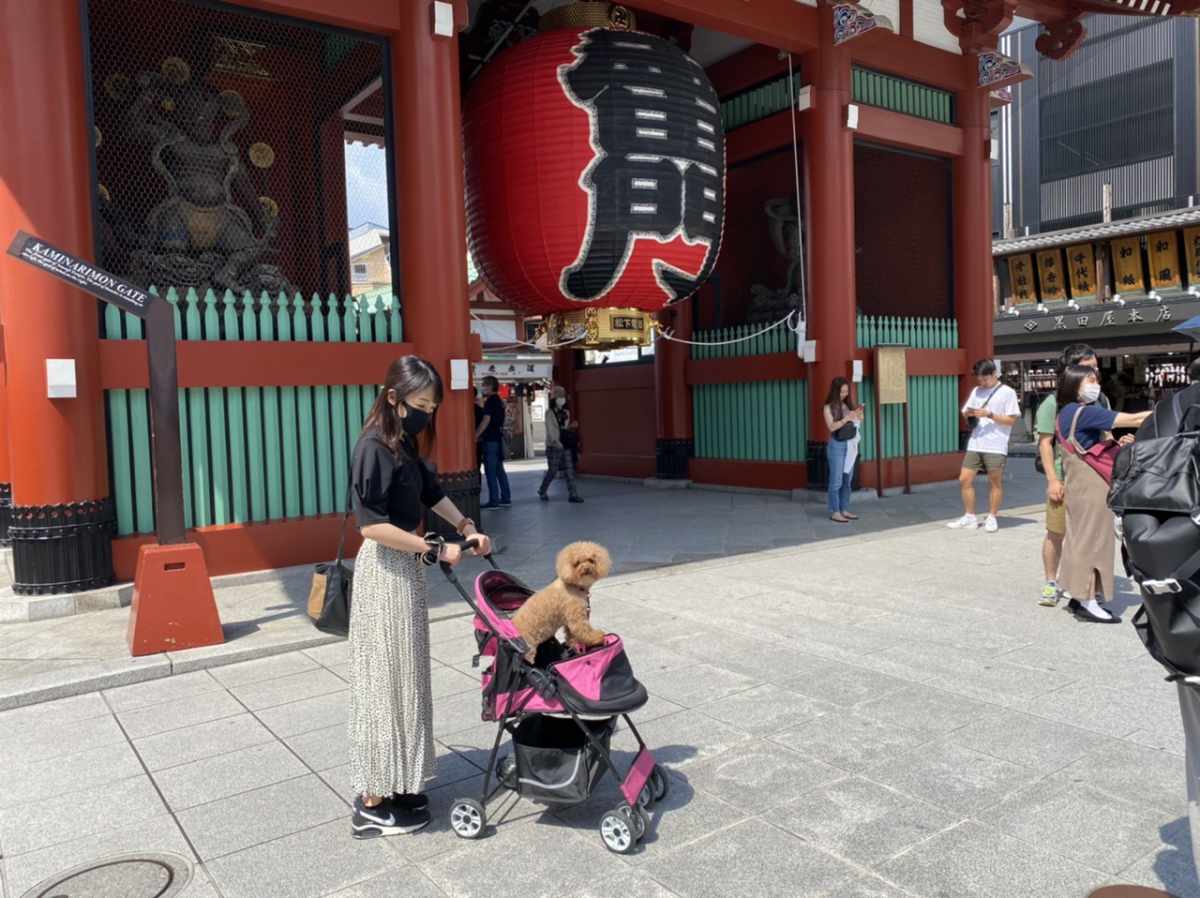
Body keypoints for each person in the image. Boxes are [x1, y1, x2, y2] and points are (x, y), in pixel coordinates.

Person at [348, 356, 492, 838]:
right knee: (384, 682)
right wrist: (434, 547)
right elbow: (371, 525)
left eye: (432, 406)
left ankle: (402, 780)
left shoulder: (405, 443)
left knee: (408, 678)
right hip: (384, 570)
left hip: (405, 570)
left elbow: (432, 493)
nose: (426, 414)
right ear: (394, 398)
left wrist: (467, 526)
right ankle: (372, 798)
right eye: (420, 404)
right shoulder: (372, 446)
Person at [1055, 364, 1150, 623]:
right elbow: (1135, 420)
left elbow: (1089, 447)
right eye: (1089, 378)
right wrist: (1170, 409)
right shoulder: (1084, 411)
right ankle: (1088, 601)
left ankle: (1077, 596)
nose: (1095, 382)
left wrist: (1116, 445)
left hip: (1079, 484)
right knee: (1094, 541)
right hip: (1092, 485)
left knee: (1079, 539)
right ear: (1074, 383)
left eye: (1095, 378)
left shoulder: (1066, 412)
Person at [1034, 343, 1105, 607]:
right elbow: (1045, 443)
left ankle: (1084, 582)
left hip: (1094, 480)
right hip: (1065, 480)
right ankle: (1051, 581)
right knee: (1056, 532)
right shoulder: (1053, 403)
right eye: (1088, 368)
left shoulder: (1100, 400)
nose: (1095, 374)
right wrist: (1053, 479)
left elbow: (1104, 434)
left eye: (1096, 368)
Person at [948, 359, 1021, 532]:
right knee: (964, 479)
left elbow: (1011, 420)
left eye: (985, 379)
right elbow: (966, 411)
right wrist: (969, 414)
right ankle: (970, 516)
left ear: (994, 374)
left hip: (996, 444)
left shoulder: (1007, 392)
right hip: (976, 441)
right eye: (979, 379)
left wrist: (990, 414)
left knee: (994, 482)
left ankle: (992, 516)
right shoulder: (976, 391)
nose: (981, 382)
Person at [822, 377, 862, 523]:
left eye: (846, 391)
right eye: (841, 391)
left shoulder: (847, 405)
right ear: (834, 391)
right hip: (836, 445)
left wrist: (858, 416)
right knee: (836, 480)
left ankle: (844, 509)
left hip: (850, 445)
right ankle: (835, 511)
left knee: (847, 480)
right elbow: (831, 427)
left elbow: (854, 423)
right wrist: (846, 419)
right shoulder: (827, 407)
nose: (844, 394)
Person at [539, 385, 583, 504]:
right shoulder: (549, 413)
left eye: (563, 397)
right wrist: (556, 442)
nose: (561, 399)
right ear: (554, 399)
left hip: (565, 444)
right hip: (554, 445)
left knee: (569, 470)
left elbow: (563, 429)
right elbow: (551, 430)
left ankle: (573, 494)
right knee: (553, 471)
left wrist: (571, 426)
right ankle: (542, 490)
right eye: (559, 397)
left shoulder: (566, 412)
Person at [476, 376, 511, 509]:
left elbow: (486, 421)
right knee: (499, 470)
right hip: (497, 439)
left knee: (490, 471)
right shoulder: (499, 401)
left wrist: (476, 434)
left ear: (490, 386)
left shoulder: (490, 401)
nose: (482, 387)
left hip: (490, 440)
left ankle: (494, 500)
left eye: (484, 385)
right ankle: (506, 498)